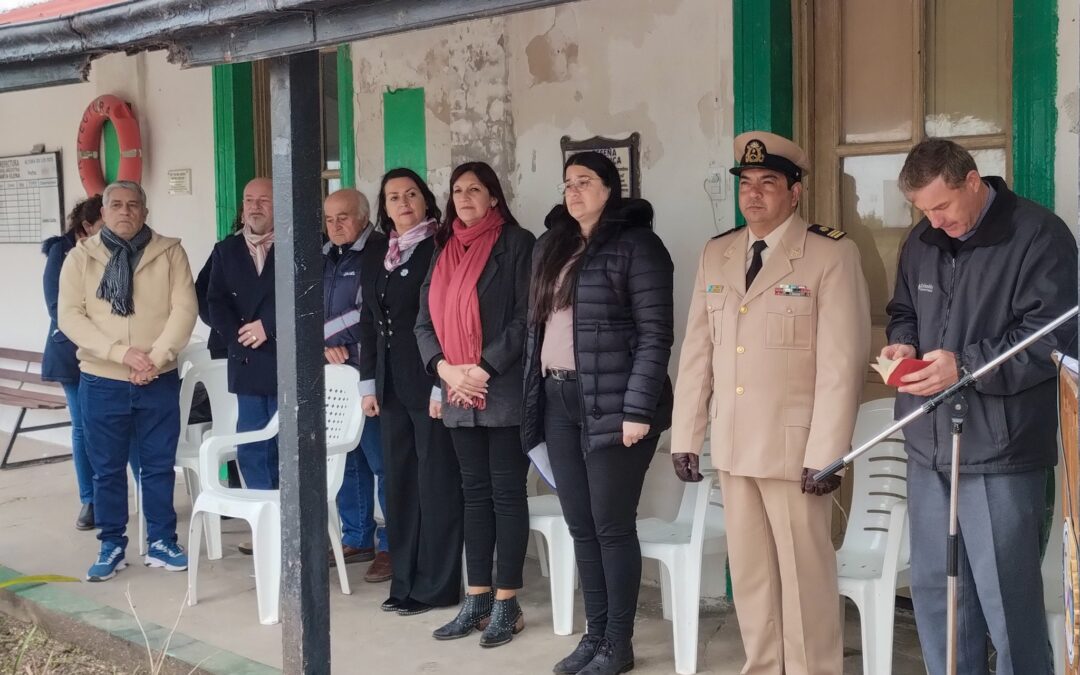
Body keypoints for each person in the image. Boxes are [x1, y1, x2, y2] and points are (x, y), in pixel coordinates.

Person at [670, 131, 870, 675]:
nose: (754, 195)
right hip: (734, 444)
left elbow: (842, 362)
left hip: (796, 449)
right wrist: (686, 435)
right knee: (754, 576)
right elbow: (698, 350)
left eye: (769, 183)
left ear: (795, 192)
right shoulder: (718, 253)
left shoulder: (829, 254)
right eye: (747, 184)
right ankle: (763, 666)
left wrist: (828, 451)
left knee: (805, 578)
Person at [883, 138, 1078, 675]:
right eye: (923, 210)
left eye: (941, 206)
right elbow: (902, 309)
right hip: (928, 444)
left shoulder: (1038, 235)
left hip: (1001, 448)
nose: (934, 221)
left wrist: (965, 366)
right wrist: (902, 342)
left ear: (973, 180)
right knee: (936, 592)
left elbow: (1055, 339)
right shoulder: (921, 239)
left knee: (1006, 602)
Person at [521, 151, 674, 675]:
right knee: (580, 525)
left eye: (585, 181)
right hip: (559, 399)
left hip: (618, 405)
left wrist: (637, 409)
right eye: (568, 183)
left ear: (611, 188)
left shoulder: (638, 246)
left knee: (611, 526)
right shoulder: (553, 246)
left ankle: (619, 643)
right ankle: (595, 634)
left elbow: (656, 335)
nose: (574, 191)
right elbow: (536, 333)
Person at [415, 161, 535, 647]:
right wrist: (446, 372)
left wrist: (482, 369)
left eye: (475, 190)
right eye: (458, 190)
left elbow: (529, 316)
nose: (465, 198)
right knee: (473, 494)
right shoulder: (443, 249)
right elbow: (423, 322)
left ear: (493, 196)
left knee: (506, 495)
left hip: (499, 388)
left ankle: (508, 603)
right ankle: (477, 596)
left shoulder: (517, 243)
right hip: (457, 392)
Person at [58, 180, 197, 581]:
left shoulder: (170, 253)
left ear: (145, 211)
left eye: (132, 205)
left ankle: (161, 541)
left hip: (158, 377)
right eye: (115, 205)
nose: (124, 211)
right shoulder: (80, 258)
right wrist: (121, 354)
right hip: (103, 379)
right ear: (102, 212)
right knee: (107, 468)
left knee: (156, 466)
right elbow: (70, 316)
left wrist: (155, 358)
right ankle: (112, 544)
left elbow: (185, 309)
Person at [359, 168, 464, 616]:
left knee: (436, 483)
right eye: (393, 197)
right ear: (384, 208)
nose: (402, 203)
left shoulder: (439, 248)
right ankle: (403, 582)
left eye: (411, 195)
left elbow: (447, 320)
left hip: (429, 382)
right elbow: (368, 319)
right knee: (399, 482)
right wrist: (367, 381)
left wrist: (443, 382)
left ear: (426, 201)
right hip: (390, 384)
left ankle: (436, 587)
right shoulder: (378, 250)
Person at [322, 188, 392, 583]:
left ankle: (391, 546)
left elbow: (368, 311)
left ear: (363, 217)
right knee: (349, 459)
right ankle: (358, 536)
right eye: (330, 219)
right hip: (339, 374)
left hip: (372, 371)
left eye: (344, 217)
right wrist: (323, 344)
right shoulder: (325, 254)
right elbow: (308, 303)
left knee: (383, 462)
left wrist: (323, 335)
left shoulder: (379, 250)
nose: (336, 226)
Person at [207, 177, 279, 504]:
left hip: (286, 358)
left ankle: (291, 526)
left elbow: (311, 295)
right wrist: (237, 337)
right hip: (246, 359)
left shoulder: (304, 242)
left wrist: (269, 325)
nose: (254, 207)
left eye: (263, 200)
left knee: (287, 446)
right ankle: (263, 518)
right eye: (249, 200)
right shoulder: (226, 249)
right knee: (251, 445)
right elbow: (213, 300)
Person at [42, 195, 104, 530]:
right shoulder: (60, 253)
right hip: (72, 353)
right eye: (103, 227)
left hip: (114, 352)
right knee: (83, 426)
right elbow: (58, 308)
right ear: (86, 227)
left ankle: (142, 493)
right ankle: (90, 500)